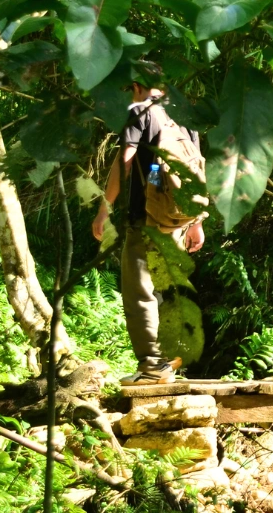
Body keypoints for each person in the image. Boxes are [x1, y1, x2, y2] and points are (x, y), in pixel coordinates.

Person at [91, 79, 205, 385]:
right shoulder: (184, 114)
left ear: (137, 85)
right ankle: (168, 359)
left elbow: (123, 163)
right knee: (164, 291)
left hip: (147, 218)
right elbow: (196, 172)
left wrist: (104, 209)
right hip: (177, 221)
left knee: (140, 292)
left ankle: (153, 365)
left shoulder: (140, 112)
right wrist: (197, 223)